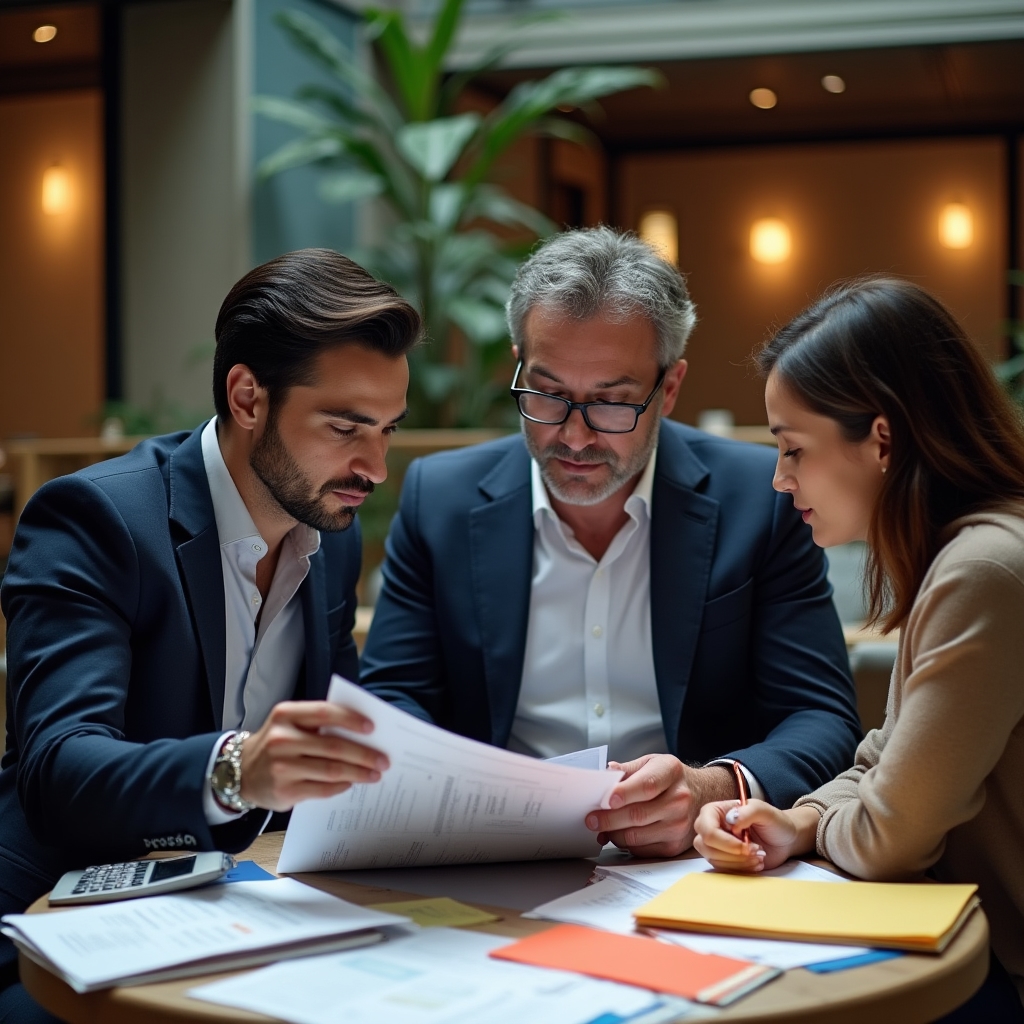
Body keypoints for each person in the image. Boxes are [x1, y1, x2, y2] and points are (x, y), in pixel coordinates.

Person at [0, 248, 419, 1022]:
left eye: (388, 430)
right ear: (248, 396)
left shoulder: (330, 535)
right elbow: (59, 767)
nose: (375, 467)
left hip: (240, 910)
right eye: (346, 427)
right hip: (63, 920)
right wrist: (237, 769)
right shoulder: (98, 520)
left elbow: (343, 736)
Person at [361, 227, 861, 859]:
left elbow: (822, 717)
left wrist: (712, 787)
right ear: (519, 363)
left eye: (612, 404)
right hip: (492, 867)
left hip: (696, 865)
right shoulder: (441, 497)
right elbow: (392, 701)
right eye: (547, 394)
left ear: (669, 388)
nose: (573, 437)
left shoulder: (757, 500)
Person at [693, 277, 1024, 1021]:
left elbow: (889, 838)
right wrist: (801, 820)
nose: (780, 480)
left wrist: (827, 823)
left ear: (882, 438)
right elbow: (885, 759)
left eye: (792, 449)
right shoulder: (969, 553)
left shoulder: (985, 571)